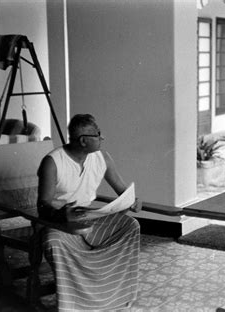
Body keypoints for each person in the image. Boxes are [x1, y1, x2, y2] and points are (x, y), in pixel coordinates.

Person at [37, 114, 141, 311]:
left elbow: (121, 188)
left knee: (130, 226)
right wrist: (63, 215)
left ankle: (115, 295)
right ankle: (73, 305)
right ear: (84, 140)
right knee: (53, 242)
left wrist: (133, 200)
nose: (102, 138)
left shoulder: (103, 158)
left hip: (89, 219)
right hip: (59, 223)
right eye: (98, 134)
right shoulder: (52, 162)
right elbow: (42, 205)